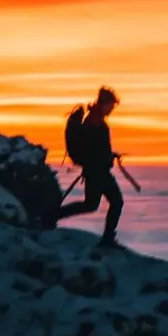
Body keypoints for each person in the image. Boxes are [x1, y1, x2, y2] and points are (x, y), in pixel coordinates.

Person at [56, 86, 128, 247]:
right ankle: (108, 239)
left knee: (91, 204)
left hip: (95, 171)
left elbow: (96, 149)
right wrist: (107, 157)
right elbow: (94, 150)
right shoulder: (94, 122)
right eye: (111, 105)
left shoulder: (95, 120)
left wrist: (109, 155)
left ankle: (53, 215)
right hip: (98, 172)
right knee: (115, 202)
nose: (112, 109)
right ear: (104, 103)